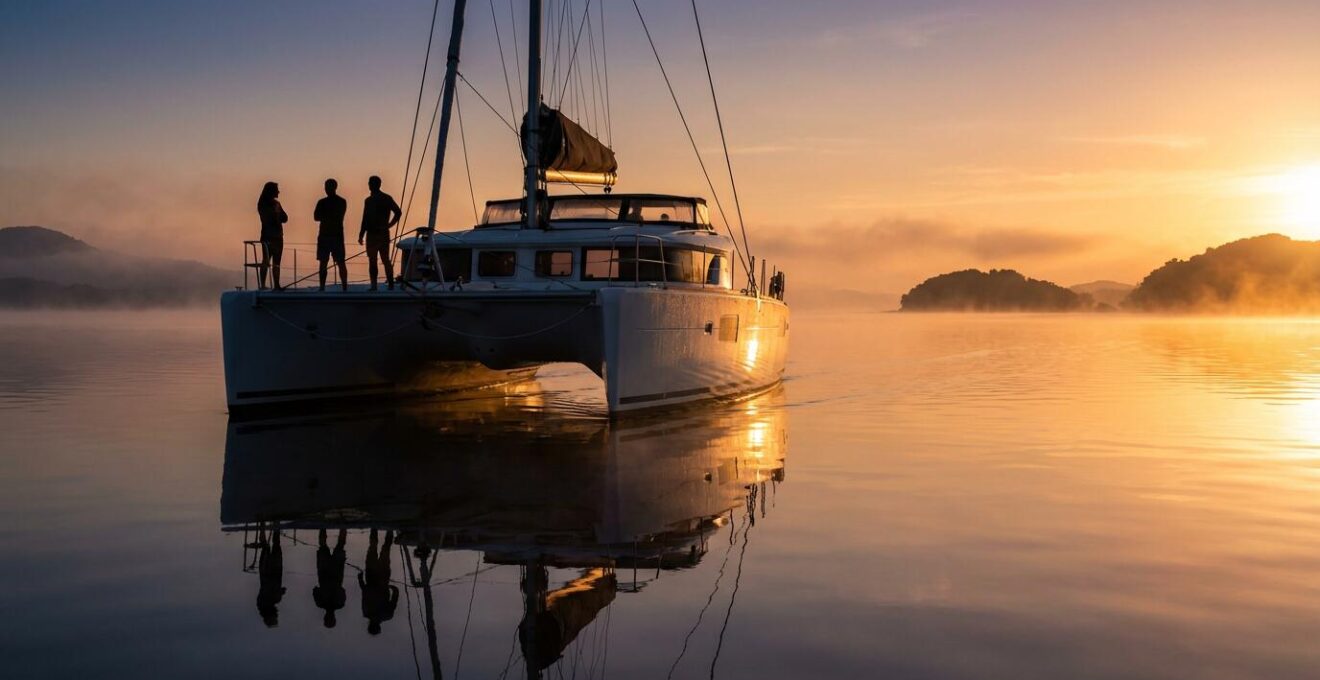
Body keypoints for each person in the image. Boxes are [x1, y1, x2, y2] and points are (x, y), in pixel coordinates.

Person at [358, 175, 401, 291]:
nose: (370, 185)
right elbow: (365, 218)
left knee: (383, 260)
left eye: (371, 183)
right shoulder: (369, 200)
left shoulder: (384, 198)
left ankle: (387, 284)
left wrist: (389, 225)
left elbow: (398, 212)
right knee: (376, 260)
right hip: (374, 233)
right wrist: (361, 234)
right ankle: (377, 285)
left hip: (380, 234)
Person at [359, 528, 399, 635]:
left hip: (381, 579)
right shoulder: (367, 613)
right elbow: (364, 593)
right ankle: (375, 527)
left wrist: (394, 589)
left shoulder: (386, 615)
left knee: (384, 549)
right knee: (375, 548)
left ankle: (388, 529)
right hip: (374, 577)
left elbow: (394, 599)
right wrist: (360, 580)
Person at [314, 179, 349, 291]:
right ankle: (327, 287)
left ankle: (340, 287)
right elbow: (316, 217)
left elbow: (317, 216)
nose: (326, 189)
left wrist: (325, 215)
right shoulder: (341, 202)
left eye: (327, 187)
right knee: (328, 262)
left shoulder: (325, 202)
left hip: (330, 236)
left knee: (335, 262)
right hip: (331, 236)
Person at [313, 528, 348, 628]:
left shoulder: (339, 604)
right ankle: (326, 526)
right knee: (327, 546)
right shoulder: (321, 603)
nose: (329, 616)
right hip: (328, 571)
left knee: (335, 545)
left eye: (328, 618)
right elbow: (315, 590)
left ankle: (339, 526)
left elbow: (342, 590)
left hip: (331, 572)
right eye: (330, 619)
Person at [256, 181, 288, 290]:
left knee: (276, 262)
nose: (278, 192)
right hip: (268, 237)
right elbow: (269, 219)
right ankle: (263, 285)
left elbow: (285, 218)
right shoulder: (263, 204)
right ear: (271, 191)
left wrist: (277, 216)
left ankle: (276, 285)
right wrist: (277, 216)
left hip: (278, 237)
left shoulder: (276, 204)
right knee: (266, 261)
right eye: (276, 190)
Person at [256, 526, 286, 627]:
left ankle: (267, 526)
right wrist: (281, 591)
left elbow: (270, 590)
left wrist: (280, 591)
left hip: (268, 571)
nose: (276, 615)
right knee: (272, 546)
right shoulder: (273, 600)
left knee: (268, 547)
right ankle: (274, 526)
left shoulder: (268, 601)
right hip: (274, 570)